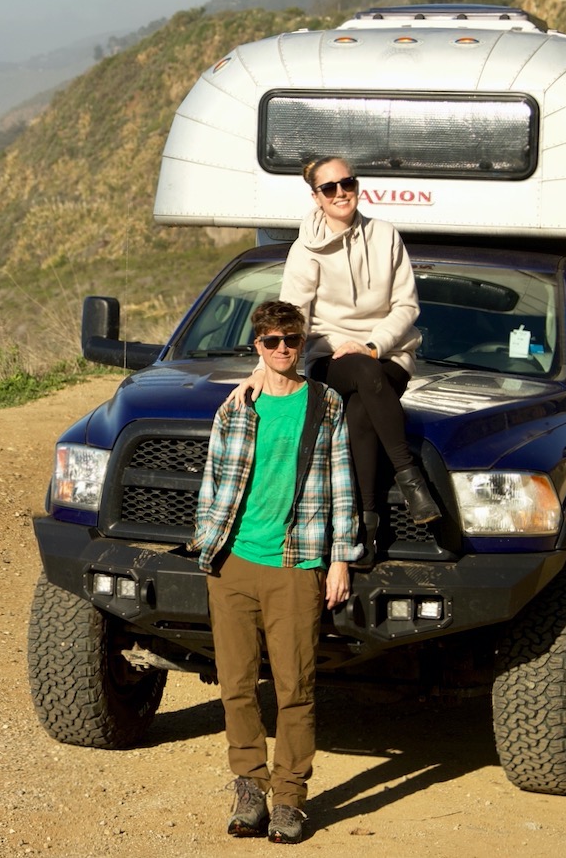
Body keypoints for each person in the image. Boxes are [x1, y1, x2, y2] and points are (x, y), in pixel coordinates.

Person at [190, 299, 360, 844]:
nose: (282, 349)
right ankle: (248, 786)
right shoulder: (235, 407)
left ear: (302, 343)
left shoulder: (325, 403)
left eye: (291, 340)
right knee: (237, 685)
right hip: (233, 561)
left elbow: (341, 483)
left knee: (295, 686)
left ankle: (288, 798)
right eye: (271, 341)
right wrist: (207, 546)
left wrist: (339, 558)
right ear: (256, 345)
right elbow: (212, 482)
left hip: (297, 562)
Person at [232, 155, 439, 536]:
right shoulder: (305, 249)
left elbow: (406, 305)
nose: (341, 193)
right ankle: (410, 477)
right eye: (330, 188)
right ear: (316, 197)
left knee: (361, 411)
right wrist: (263, 368)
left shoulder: (385, 235)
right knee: (360, 370)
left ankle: (366, 527)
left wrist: (374, 345)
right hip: (333, 358)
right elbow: (292, 317)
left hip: (387, 353)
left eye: (348, 183)